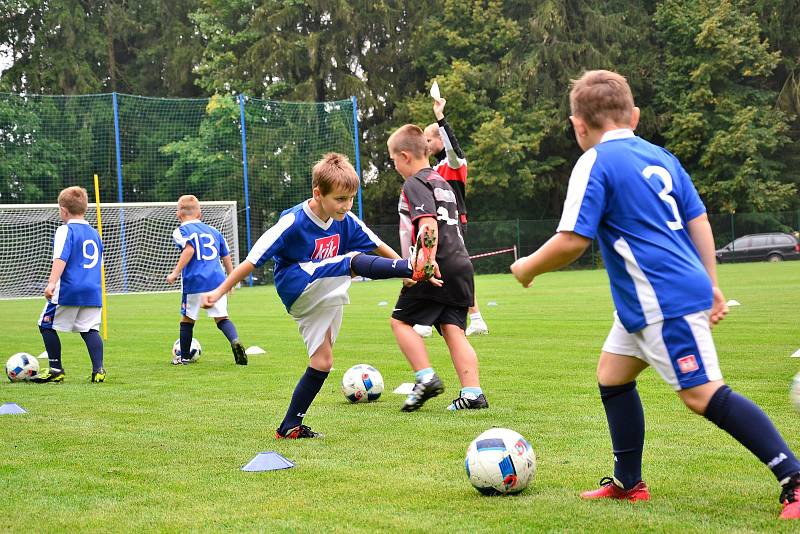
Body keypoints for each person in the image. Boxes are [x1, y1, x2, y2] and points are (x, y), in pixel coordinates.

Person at [510, 69, 800, 519]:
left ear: (578, 125)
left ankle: (794, 478)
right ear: (636, 116)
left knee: (702, 394)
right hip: (650, 299)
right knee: (613, 375)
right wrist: (713, 283)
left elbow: (573, 239)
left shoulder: (595, 162)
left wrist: (527, 268)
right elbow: (698, 220)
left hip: (660, 299)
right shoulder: (661, 157)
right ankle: (629, 482)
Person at [202, 153, 431, 438]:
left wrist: (404, 272)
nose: (346, 206)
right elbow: (252, 260)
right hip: (297, 285)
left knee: (323, 361)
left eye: (350, 199)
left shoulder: (345, 219)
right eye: (339, 199)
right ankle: (414, 265)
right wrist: (219, 291)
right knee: (351, 261)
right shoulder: (293, 222)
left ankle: (290, 426)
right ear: (317, 193)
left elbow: (377, 244)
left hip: (322, 290)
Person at [389, 124, 488, 412]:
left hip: (436, 264)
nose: (394, 166)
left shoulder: (415, 183)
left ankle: (426, 378)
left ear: (405, 156)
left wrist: (425, 265)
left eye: (394, 160)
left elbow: (428, 223)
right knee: (453, 329)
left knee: (400, 322)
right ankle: (472, 394)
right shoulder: (442, 182)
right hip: (461, 263)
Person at [406, 96, 489, 338]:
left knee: (446, 264)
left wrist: (440, 118)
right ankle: (469, 318)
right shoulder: (432, 171)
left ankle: (431, 319)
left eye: (429, 139)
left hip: (453, 222)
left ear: (440, 139)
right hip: (436, 221)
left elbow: (453, 148)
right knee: (432, 259)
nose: (426, 144)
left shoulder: (454, 164)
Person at [34, 186, 106, 383]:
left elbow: (60, 259)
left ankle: (56, 369)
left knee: (45, 324)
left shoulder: (65, 230)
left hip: (69, 289)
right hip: (92, 291)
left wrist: (51, 284)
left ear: (63, 210)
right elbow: (99, 264)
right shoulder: (95, 233)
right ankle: (98, 370)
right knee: (90, 329)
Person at [166, 195, 247, 366]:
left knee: (187, 320)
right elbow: (226, 255)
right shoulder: (214, 231)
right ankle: (235, 340)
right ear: (199, 213)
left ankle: (184, 357)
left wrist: (174, 273)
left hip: (194, 281)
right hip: (217, 281)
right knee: (222, 318)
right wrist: (231, 281)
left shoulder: (181, 231)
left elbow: (189, 250)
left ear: (178, 214)